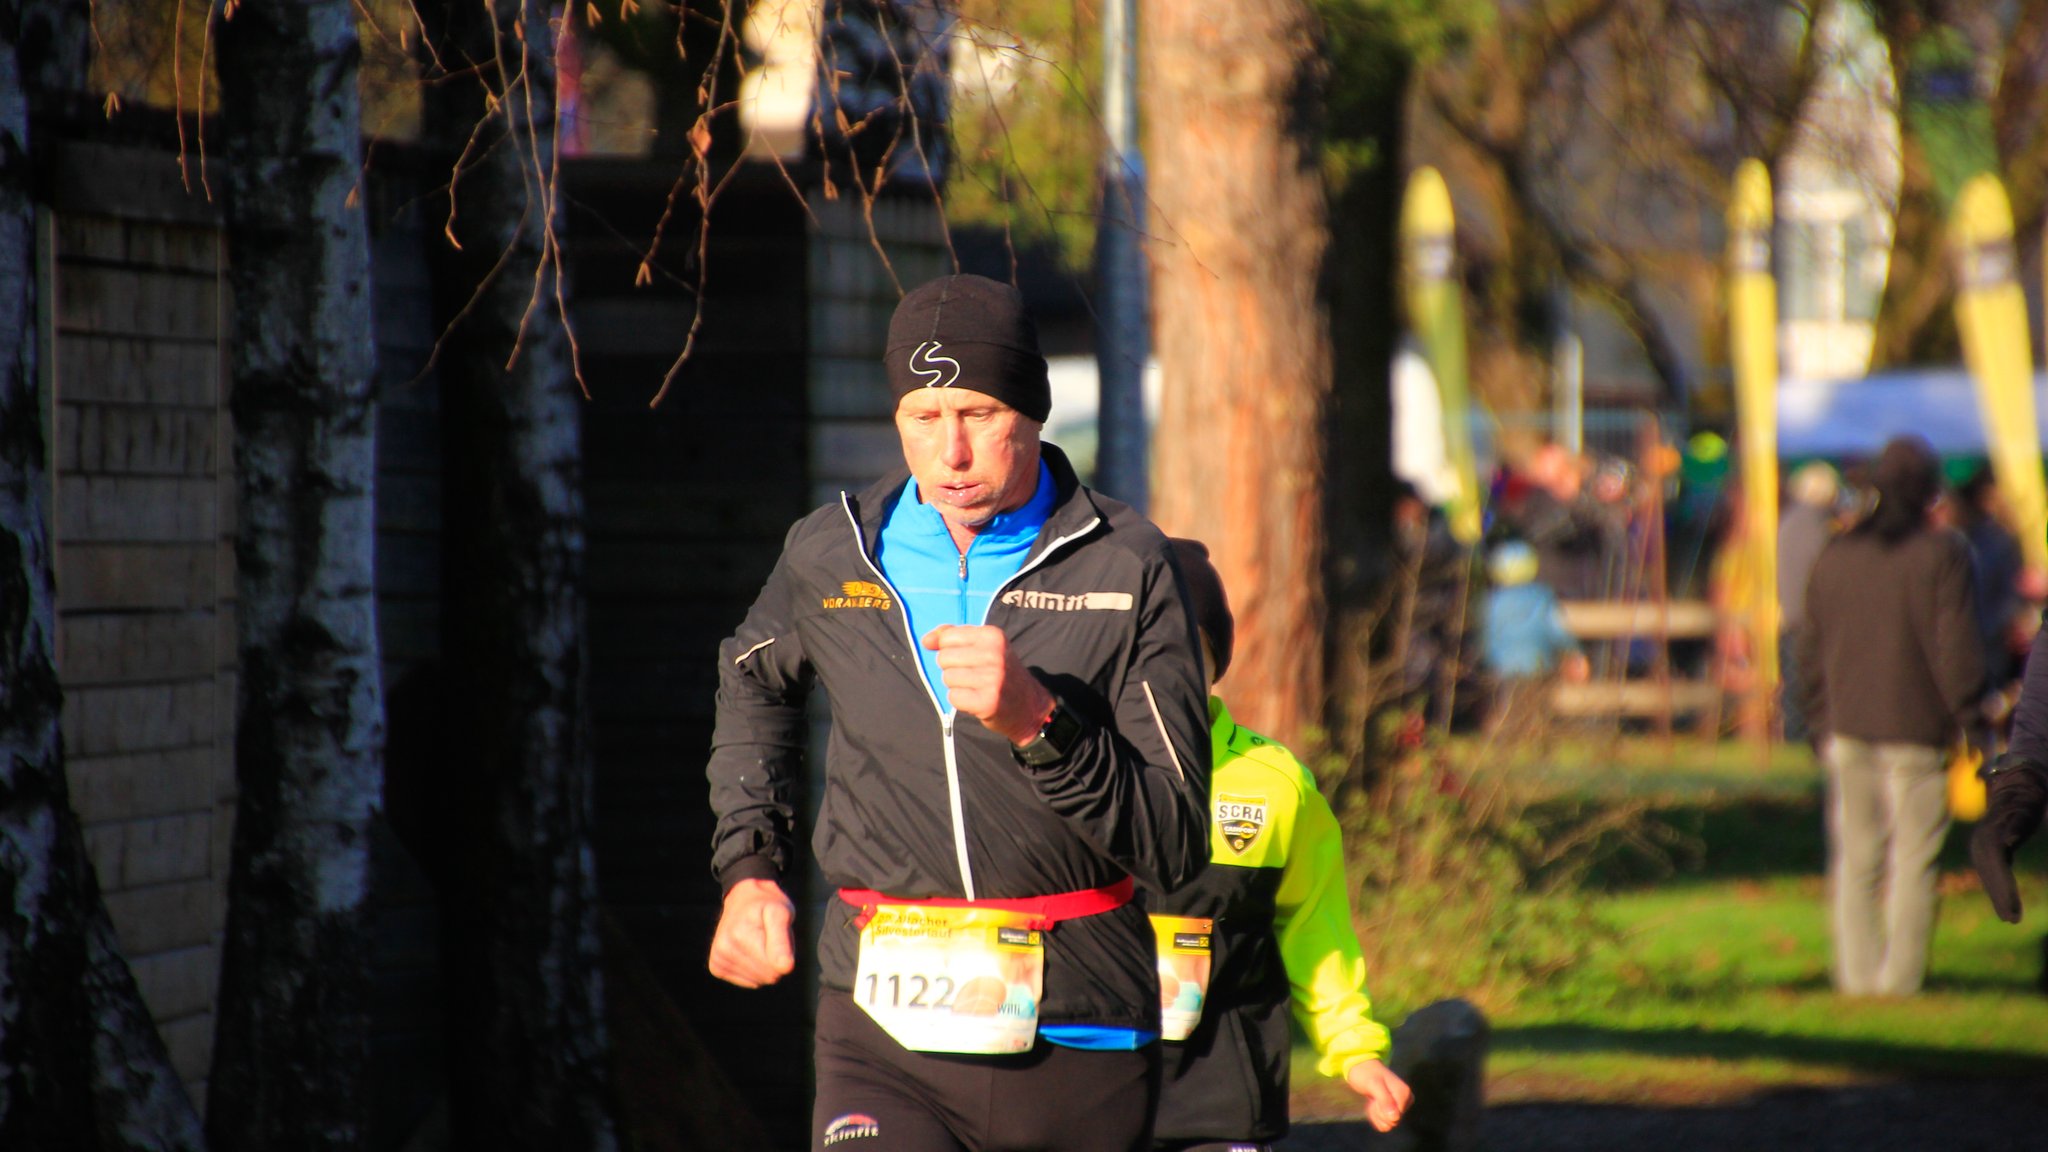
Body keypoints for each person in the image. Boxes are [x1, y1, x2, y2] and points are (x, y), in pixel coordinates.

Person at [704, 274, 1212, 1152]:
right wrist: (750, 865)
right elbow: (752, 680)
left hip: (1079, 1029)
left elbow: (1174, 838)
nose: (951, 453)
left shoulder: (1127, 566)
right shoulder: (833, 551)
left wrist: (1040, 724)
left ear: (1033, 411)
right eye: (923, 417)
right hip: (878, 1030)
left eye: (978, 413)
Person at [1145, 539, 1413, 1151]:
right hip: (1084, 1099)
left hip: (1222, 1103)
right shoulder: (1071, 771)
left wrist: (1355, 1049)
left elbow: (1315, 926)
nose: (1163, 670)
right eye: (1142, 648)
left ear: (1215, 660)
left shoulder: (1275, 783)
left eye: (1186, 648)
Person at [1797, 435, 1984, 996]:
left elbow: (1808, 648)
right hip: (1917, 728)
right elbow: (1957, 648)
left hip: (1846, 725)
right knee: (1913, 859)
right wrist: (1970, 715)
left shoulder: (1836, 554)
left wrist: (1816, 719)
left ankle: (1857, 979)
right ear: (1928, 493)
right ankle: (1899, 981)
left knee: (1856, 859)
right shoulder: (1943, 554)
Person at [1479, 538, 1590, 735]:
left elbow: (1486, 637)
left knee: (1506, 705)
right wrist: (1573, 651)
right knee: (1534, 709)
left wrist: (1488, 660)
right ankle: (1530, 733)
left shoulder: (1492, 602)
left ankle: (1505, 732)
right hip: (1537, 664)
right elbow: (1556, 629)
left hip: (1502, 667)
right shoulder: (1541, 598)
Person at [1777, 460, 1841, 746]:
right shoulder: (1816, 525)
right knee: (1810, 690)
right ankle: (1804, 740)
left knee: (1794, 689)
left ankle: (1794, 739)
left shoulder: (1788, 520)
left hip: (1790, 618)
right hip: (1811, 621)